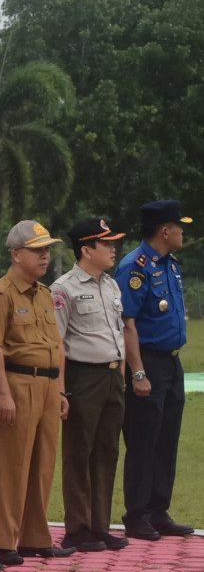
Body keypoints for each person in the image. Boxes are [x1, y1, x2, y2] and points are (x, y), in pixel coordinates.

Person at [0, 221, 75, 565]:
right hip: (18, 384)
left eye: (47, 249)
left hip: (49, 386)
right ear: (16, 254)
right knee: (12, 465)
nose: (45, 255)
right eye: (37, 249)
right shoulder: (1, 293)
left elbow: (56, 344)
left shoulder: (42, 293)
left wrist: (61, 390)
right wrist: (3, 394)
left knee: (43, 464)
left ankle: (35, 537)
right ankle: (5, 541)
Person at [117, 200, 195, 540]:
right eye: (179, 225)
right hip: (146, 360)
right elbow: (126, 323)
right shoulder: (135, 267)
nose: (182, 231)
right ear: (165, 230)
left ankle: (158, 509)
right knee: (143, 438)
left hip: (171, 360)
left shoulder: (169, 264)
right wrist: (137, 372)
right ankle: (136, 514)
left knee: (166, 438)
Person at [53, 219, 130, 552]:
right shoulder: (64, 288)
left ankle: (100, 525)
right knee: (78, 453)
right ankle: (77, 527)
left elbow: (118, 330)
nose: (113, 249)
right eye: (106, 244)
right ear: (86, 249)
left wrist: (123, 374)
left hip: (113, 375)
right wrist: (60, 389)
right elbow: (57, 342)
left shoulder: (111, 285)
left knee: (107, 452)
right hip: (83, 376)